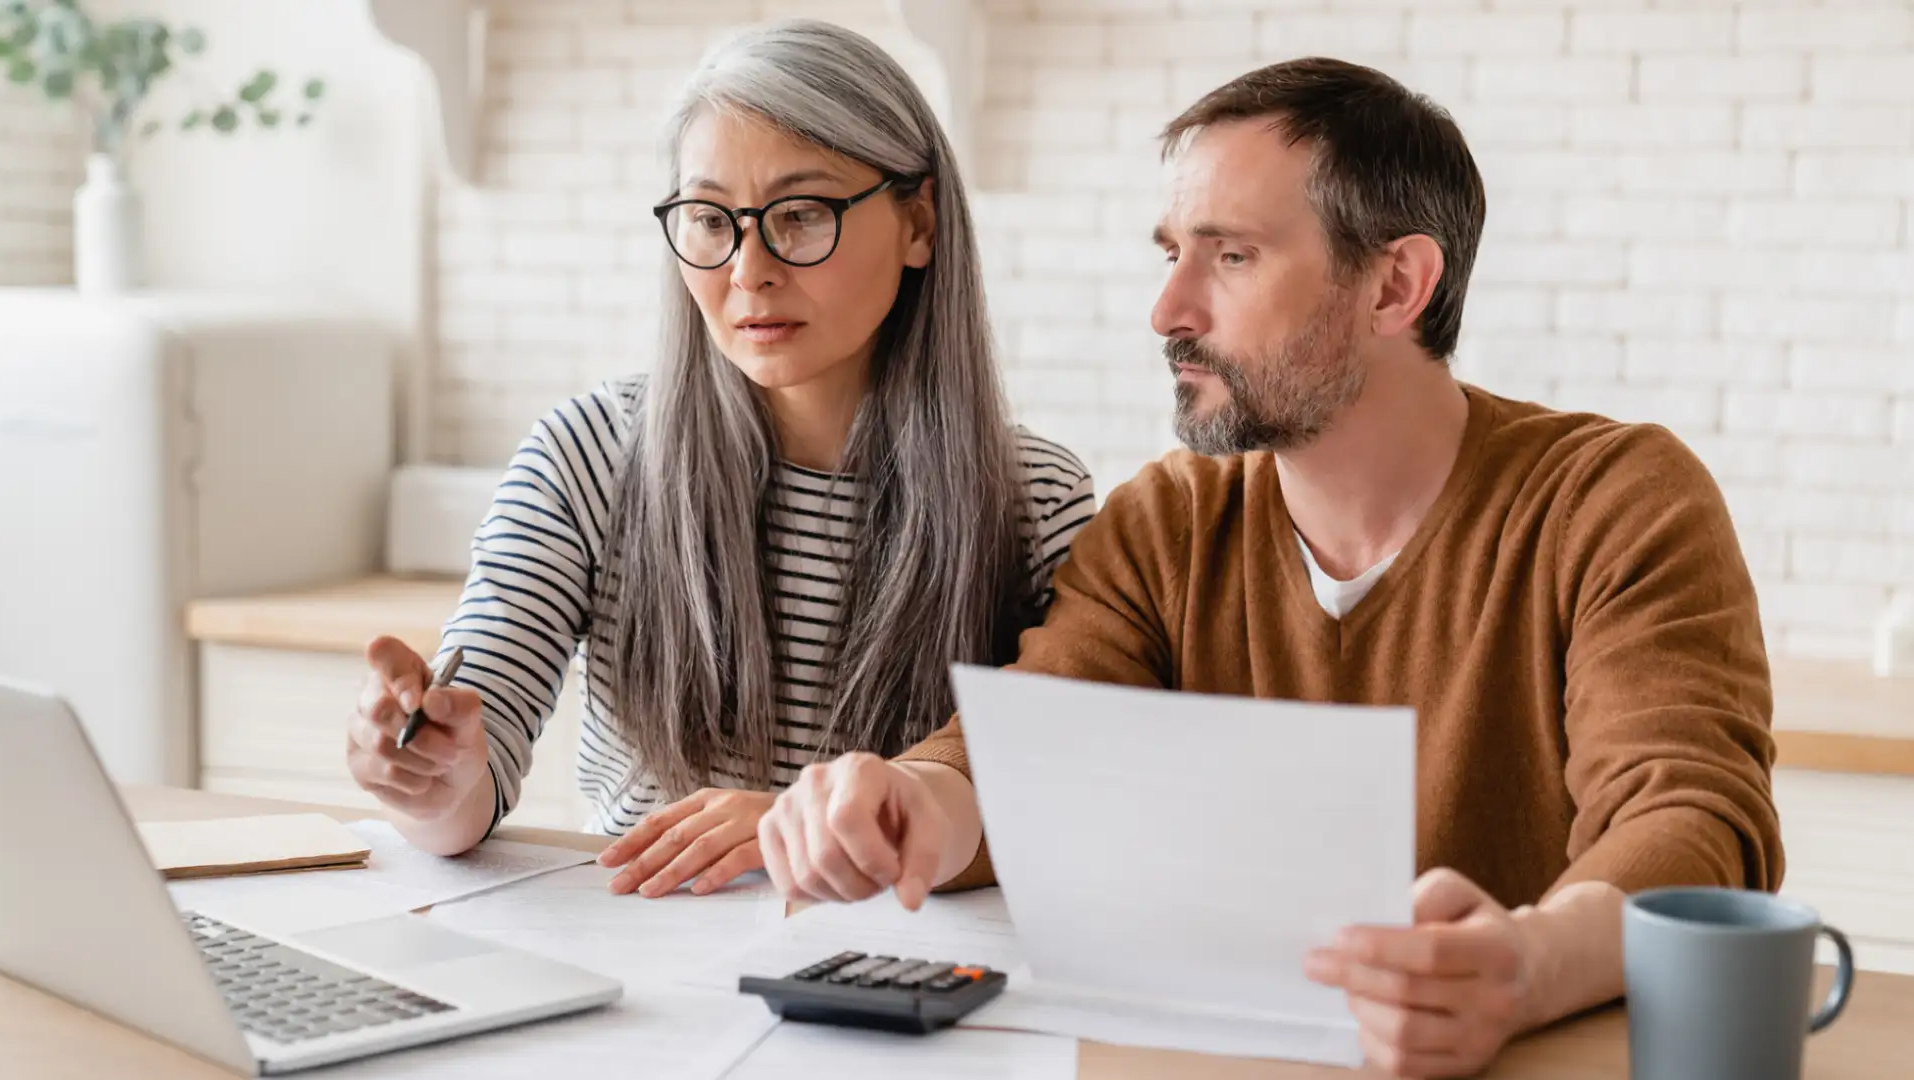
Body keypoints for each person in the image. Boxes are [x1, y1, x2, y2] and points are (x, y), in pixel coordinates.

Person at [757, 57, 1783, 1079]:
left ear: (1396, 285)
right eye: (1170, 254)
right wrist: (906, 802)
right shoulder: (1168, 520)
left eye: (1231, 257)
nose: (1167, 310)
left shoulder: (1610, 500)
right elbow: (1030, 748)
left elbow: (1693, 823)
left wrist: (1526, 964)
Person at [342, 19, 1094, 901]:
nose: (749, 270)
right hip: (651, 958)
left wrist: (797, 833)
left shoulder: (1035, 499)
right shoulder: (591, 452)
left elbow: (1060, 802)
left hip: (906, 974)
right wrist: (428, 771)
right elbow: (470, 781)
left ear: (919, 221)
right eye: (709, 220)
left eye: (803, 215)